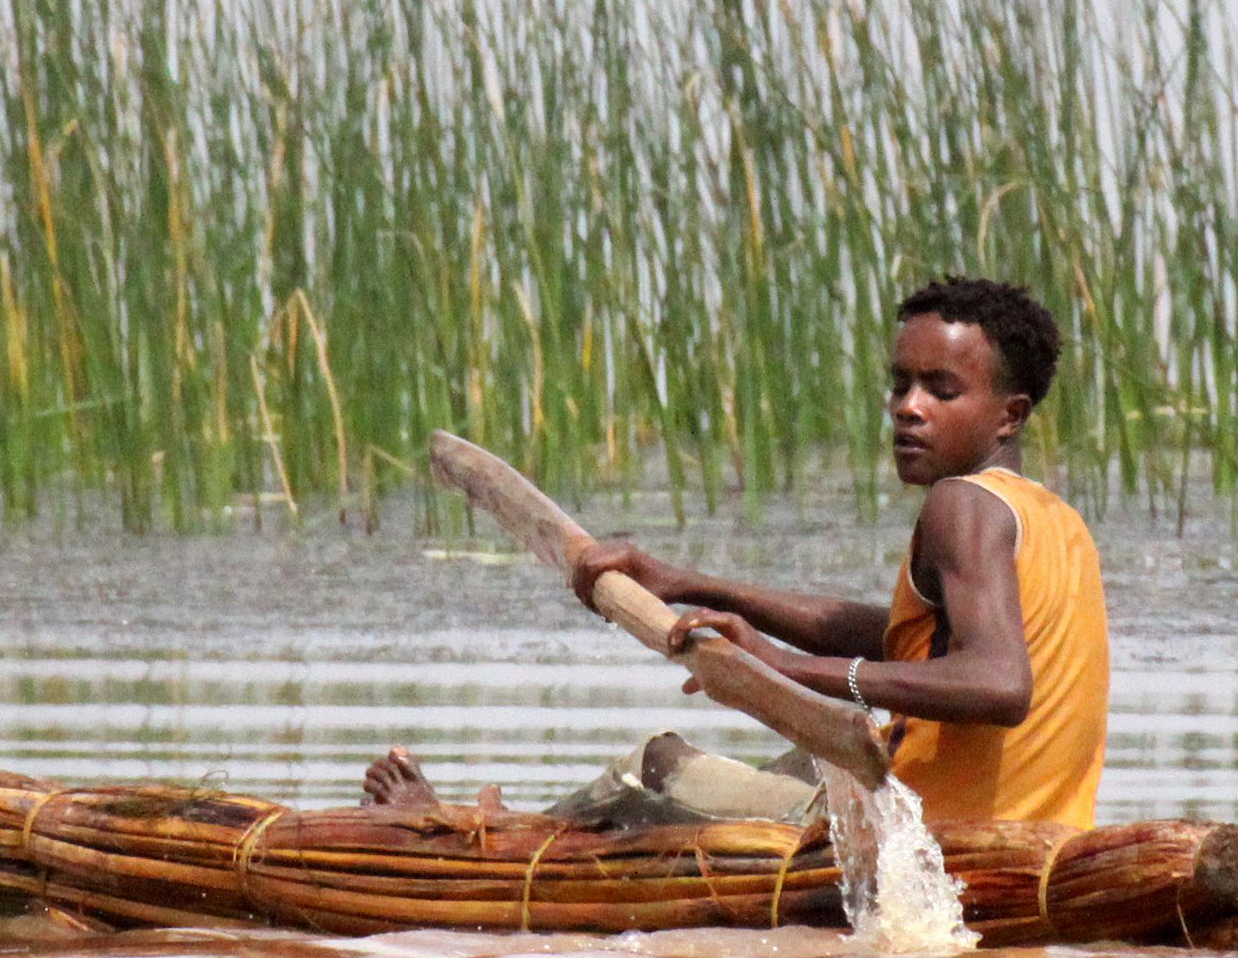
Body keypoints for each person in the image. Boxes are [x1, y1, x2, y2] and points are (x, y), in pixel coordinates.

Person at [364, 276, 1109, 831]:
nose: (907, 407)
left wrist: (778, 668)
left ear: (1009, 414)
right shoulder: (1048, 519)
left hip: (932, 842)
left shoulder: (959, 505)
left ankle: (458, 840)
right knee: (798, 763)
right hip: (1028, 829)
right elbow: (898, 637)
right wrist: (688, 582)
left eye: (940, 389)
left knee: (652, 764)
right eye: (900, 384)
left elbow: (997, 683)